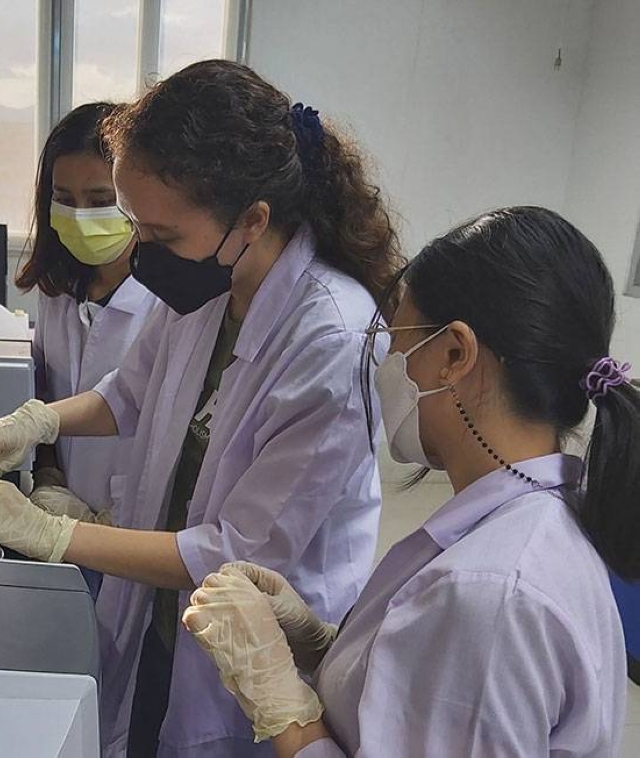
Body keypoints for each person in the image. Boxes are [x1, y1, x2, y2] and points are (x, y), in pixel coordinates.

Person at [0, 60, 404, 756]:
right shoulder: (209, 282)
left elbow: (236, 554)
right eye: (138, 228)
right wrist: (35, 422)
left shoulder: (330, 340)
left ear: (253, 220)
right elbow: (129, 393)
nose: (142, 253)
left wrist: (55, 536)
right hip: (163, 604)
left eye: (162, 236)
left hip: (251, 647)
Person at [183, 206, 637, 757]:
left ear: (453, 354)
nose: (388, 363)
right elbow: (431, 699)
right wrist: (322, 646)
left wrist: (283, 706)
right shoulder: (532, 516)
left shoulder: (491, 594)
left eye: (397, 338)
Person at [15, 103, 157, 579]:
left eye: (100, 199)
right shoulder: (57, 288)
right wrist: (51, 474)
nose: (80, 216)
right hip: (64, 513)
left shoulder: (170, 303)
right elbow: (47, 392)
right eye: (65, 198)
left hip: (138, 534)